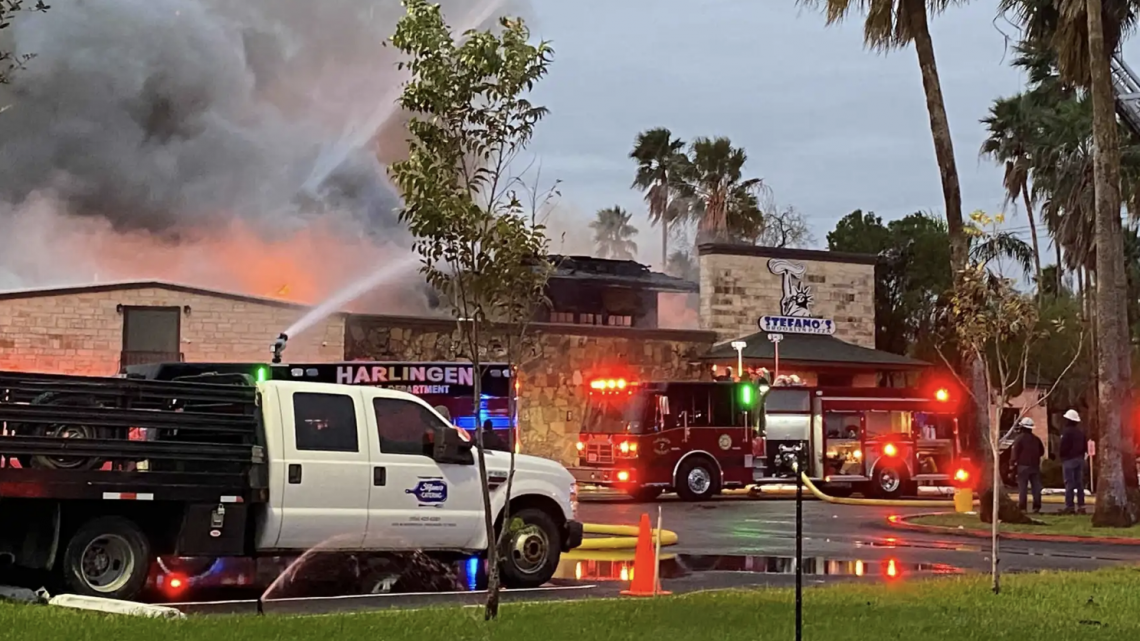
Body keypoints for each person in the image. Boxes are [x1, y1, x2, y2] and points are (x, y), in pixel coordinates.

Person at [1010, 417, 1045, 514]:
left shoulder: (1019, 439)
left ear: (1022, 427)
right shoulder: (1036, 439)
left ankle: (1022, 507)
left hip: (1022, 466)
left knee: (1023, 488)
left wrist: (1012, 464)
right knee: (1036, 488)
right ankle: (1036, 507)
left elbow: (1015, 453)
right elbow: (1042, 452)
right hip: (1035, 466)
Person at [1058, 409, 1087, 514]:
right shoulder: (1080, 433)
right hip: (1079, 459)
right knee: (1079, 484)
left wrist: (1062, 457)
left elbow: (1063, 447)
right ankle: (1081, 506)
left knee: (1069, 483)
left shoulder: (1066, 432)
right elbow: (1085, 446)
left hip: (1069, 460)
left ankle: (1069, 506)